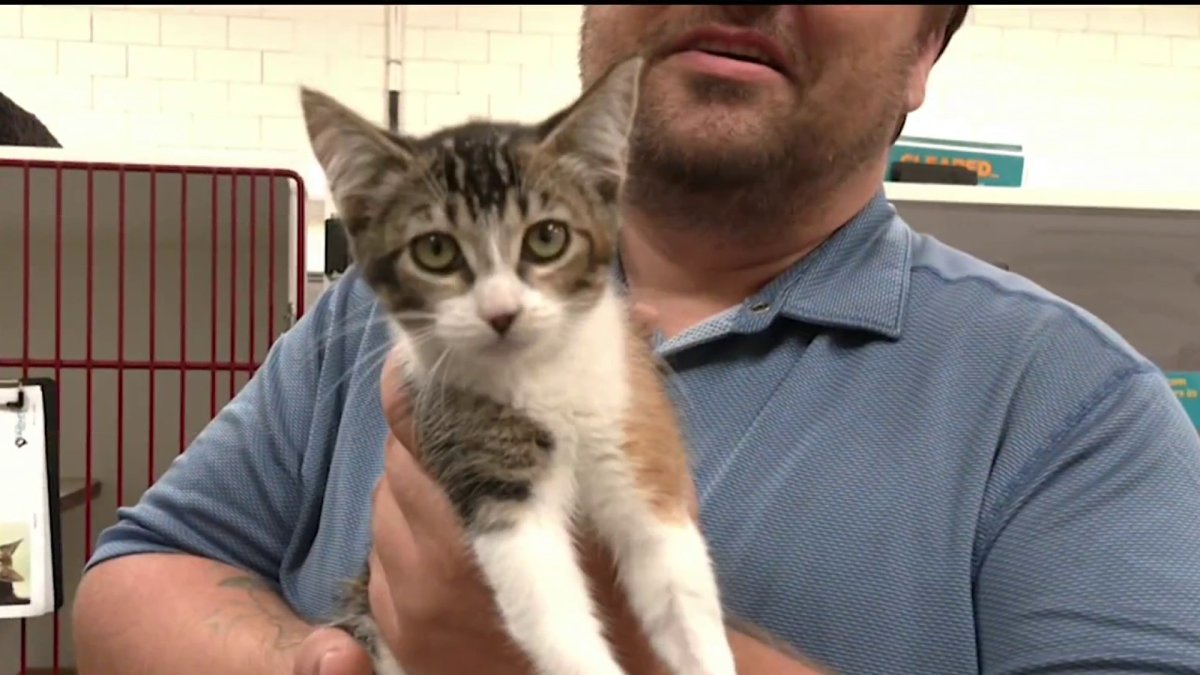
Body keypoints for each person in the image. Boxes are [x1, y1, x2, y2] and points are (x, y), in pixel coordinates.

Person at [72, 5, 1200, 675]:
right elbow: (132, 583)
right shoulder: (371, 323)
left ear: (925, 50)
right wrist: (321, 661)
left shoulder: (1076, 411)